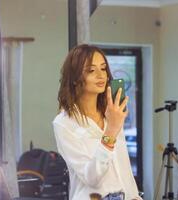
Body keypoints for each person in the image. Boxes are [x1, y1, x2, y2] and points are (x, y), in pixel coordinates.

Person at [53, 44, 142, 200]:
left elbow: (123, 166)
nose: (101, 76)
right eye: (91, 70)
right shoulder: (64, 124)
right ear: (74, 78)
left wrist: (134, 195)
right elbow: (92, 178)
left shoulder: (111, 113)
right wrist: (111, 131)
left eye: (103, 68)